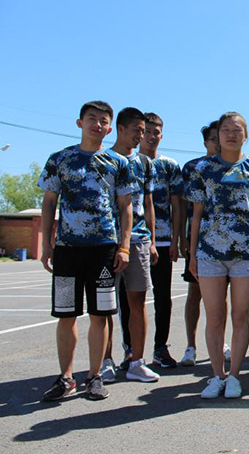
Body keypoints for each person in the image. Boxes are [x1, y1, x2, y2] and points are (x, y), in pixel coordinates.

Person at [38, 100, 135, 401]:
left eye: (103, 120)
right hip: (67, 249)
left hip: (104, 249)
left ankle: (94, 376)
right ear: (79, 123)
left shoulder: (118, 162)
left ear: (110, 128)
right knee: (66, 314)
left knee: (99, 314)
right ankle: (66, 378)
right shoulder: (60, 159)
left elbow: (126, 207)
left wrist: (124, 247)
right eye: (91, 118)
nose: (97, 124)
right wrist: (46, 245)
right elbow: (49, 202)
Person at [186, 111, 249, 399]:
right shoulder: (203, 168)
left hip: (245, 252)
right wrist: (192, 254)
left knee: (239, 316)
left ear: (246, 136)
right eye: (225, 130)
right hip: (210, 252)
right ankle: (216, 375)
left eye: (237, 130)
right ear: (218, 135)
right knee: (214, 317)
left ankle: (234, 375)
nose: (231, 134)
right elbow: (196, 213)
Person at [102, 107, 160, 383]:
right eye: (136, 130)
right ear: (120, 129)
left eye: (143, 131)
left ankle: (137, 361)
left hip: (138, 240)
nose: (141, 135)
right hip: (106, 240)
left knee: (138, 302)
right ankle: (105, 361)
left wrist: (152, 241)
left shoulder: (145, 163)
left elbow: (148, 203)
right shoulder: (104, 160)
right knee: (105, 305)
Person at [178, 121, 231, 366]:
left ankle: (221, 342)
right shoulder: (193, 168)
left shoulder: (233, 167)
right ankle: (190, 346)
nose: (217, 143)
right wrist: (183, 238)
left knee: (222, 296)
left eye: (219, 138)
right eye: (212, 139)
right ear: (205, 143)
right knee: (195, 293)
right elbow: (182, 206)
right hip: (199, 240)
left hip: (227, 243)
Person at [139, 112, 184, 368]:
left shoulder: (169, 166)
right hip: (135, 240)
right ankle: (131, 351)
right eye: (147, 131)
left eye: (156, 132)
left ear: (161, 135)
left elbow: (178, 206)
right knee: (131, 299)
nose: (151, 136)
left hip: (164, 242)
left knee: (163, 298)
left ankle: (160, 348)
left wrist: (176, 240)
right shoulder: (129, 163)